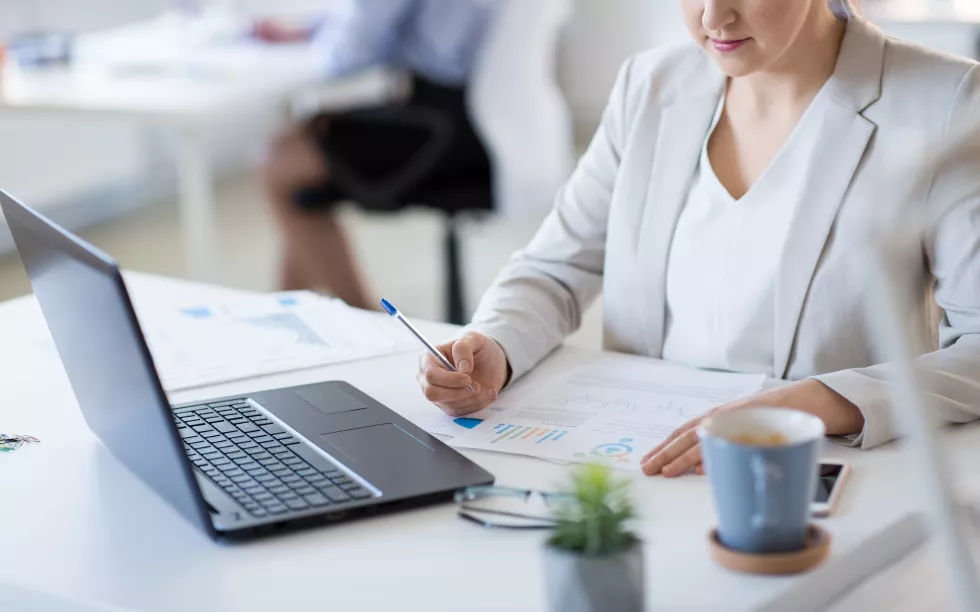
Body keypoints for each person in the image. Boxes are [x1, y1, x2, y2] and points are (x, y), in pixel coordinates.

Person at [416, 0, 980, 476]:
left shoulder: (946, 101)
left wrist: (821, 401)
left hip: (826, 474)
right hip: (650, 465)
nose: (713, 17)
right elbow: (555, 268)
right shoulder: (651, 85)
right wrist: (495, 345)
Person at [257, 0, 498, 310]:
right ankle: (284, 319)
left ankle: (366, 319)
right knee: (301, 162)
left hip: (438, 128)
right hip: (475, 118)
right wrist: (310, 29)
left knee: (279, 160)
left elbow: (351, 51)